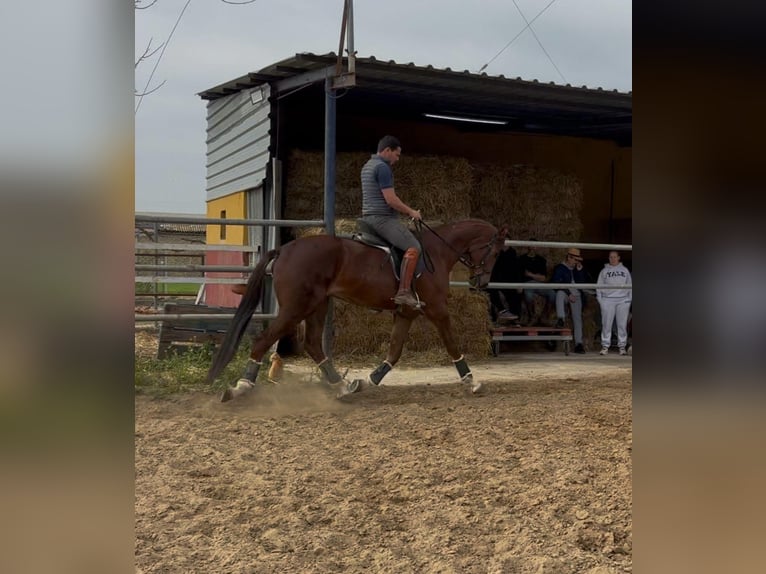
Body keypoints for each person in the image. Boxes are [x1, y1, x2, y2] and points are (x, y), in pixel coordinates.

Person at [360, 135, 423, 308]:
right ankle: (403, 292)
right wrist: (411, 212)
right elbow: (390, 200)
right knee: (414, 247)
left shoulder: (368, 166)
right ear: (387, 150)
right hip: (381, 219)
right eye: (397, 154)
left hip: (368, 217)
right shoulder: (383, 168)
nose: (397, 159)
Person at [551, 247, 590, 353]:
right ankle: (561, 319)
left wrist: (579, 270)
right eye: (575, 260)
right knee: (559, 293)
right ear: (569, 257)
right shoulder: (560, 268)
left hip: (577, 296)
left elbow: (582, 284)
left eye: (578, 260)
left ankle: (578, 344)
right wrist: (568, 294)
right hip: (565, 293)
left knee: (577, 319)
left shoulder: (578, 268)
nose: (576, 262)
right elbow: (556, 284)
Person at [596, 251, 632, 355]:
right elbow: (599, 286)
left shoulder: (625, 270)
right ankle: (605, 346)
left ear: (619, 258)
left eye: (614, 257)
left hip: (622, 300)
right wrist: (601, 301)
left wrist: (628, 300)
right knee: (607, 324)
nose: (613, 259)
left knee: (621, 324)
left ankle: (622, 347)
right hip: (608, 300)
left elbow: (630, 285)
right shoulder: (604, 271)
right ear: (608, 258)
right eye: (611, 257)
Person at [518, 239, 555, 325]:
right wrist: (519, 285)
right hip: (527, 284)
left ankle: (545, 316)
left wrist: (530, 274)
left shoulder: (541, 260)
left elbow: (543, 278)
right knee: (528, 295)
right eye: (531, 245)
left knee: (553, 294)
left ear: (537, 247)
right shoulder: (521, 259)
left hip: (539, 284)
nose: (533, 247)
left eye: (535, 245)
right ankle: (532, 316)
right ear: (528, 246)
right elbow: (520, 275)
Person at [487, 244, 522, 324]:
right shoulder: (495, 253)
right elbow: (492, 269)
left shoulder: (513, 253)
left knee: (515, 294)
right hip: (495, 280)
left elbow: (517, 270)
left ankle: (515, 319)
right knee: (491, 291)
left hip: (509, 281)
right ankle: (497, 314)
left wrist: (519, 284)